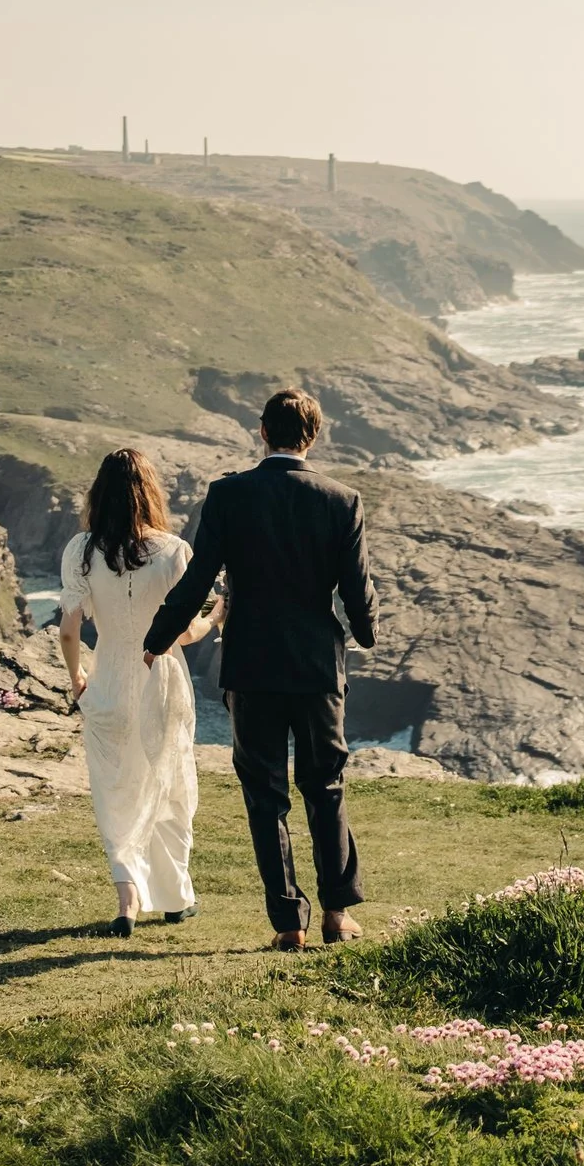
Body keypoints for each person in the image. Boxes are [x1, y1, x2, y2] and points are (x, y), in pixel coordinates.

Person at [144, 388, 375, 951]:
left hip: (249, 665)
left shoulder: (228, 495)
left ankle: (288, 924)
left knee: (264, 795)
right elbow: (356, 590)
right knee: (326, 787)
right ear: (312, 437)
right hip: (318, 666)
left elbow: (196, 584)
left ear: (262, 432)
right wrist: (365, 635)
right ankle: (337, 915)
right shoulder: (342, 499)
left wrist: (157, 637)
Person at [58, 448, 220, 938]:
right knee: (170, 784)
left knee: (117, 789)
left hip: (107, 679)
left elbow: (69, 629)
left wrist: (77, 680)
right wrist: (215, 619)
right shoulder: (173, 551)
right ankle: (175, 898)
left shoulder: (80, 551)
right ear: (150, 492)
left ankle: (127, 898)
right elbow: (181, 632)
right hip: (162, 680)